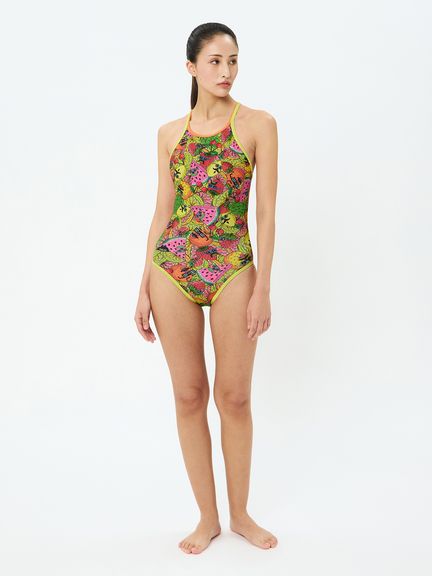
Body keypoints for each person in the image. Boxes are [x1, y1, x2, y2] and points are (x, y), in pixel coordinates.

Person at [134, 22, 278, 554]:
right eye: (215, 61)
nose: (226, 71)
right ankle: (208, 518)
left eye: (233, 60)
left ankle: (241, 514)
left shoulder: (258, 124)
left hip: (234, 265)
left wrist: (263, 287)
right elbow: (162, 212)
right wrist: (143, 285)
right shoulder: (169, 134)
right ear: (191, 67)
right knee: (189, 395)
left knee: (233, 397)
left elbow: (266, 213)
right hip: (172, 267)